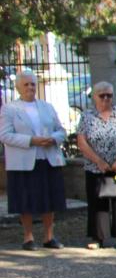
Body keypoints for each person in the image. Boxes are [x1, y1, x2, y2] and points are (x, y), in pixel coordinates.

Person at [0, 70, 67, 249]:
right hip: (23, 161)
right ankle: (28, 237)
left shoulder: (47, 107)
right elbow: (5, 135)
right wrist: (31, 140)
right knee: (25, 199)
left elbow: (61, 130)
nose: (30, 87)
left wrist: (53, 139)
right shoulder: (9, 109)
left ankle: (49, 236)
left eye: (32, 84)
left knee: (49, 198)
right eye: (26, 84)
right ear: (18, 87)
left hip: (47, 157)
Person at [76, 82, 116, 249]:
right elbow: (82, 142)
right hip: (95, 168)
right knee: (97, 203)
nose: (105, 99)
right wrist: (99, 162)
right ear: (94, 97)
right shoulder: (87, 116)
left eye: (109, 95)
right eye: (102, 95)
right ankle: (98, 236)